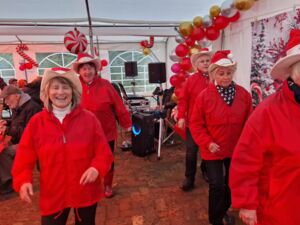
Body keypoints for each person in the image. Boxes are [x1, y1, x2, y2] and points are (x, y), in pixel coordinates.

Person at [12, 68, 114, 225]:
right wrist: (23, 180)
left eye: (65, 87)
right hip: (53, 194)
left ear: (73, 91)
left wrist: (96, 168)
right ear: (47, 91)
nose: (60, 92)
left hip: (85, 190)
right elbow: (24, 156)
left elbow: (104, 153)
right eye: (55, 87)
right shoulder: (36, 123)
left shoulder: (89, 120)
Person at [230, 29, 300, 225]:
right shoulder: (268, 111)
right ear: (295, 74)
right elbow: (246, 158)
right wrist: (247, 202)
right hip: (281, 206)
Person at [190, 50, 252, 225]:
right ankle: (215, 219)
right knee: (217, 185)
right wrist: (207, 142)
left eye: (228, 73)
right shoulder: (204, 97)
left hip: (235, 148)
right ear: (213, 74)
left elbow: (249, 122)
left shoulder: (244, 95)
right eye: (221, 73)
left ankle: (222, 211)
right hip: (213, 149)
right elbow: (196, 124)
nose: (225, 77)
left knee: (232, 184)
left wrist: (246, 144)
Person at [73, 53, 131, 198]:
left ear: (95, 69)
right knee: (86, 160)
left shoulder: (106, 85)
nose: (87, 72)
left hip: (106, 131)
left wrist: (126, 123)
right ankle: (90, 184)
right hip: (82, 134)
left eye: (90, 68)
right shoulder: (74, 87)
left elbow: (119, 105)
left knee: (107, 160)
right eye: (84, 69)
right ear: (79, 71)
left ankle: (107, 185)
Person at [177, 48, 212, 191]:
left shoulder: (216, 78)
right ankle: (189, 178)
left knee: (208, 149)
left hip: (211, 123)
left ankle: (205, 169)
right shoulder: (191, 80)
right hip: (193, 123)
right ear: (197, 64)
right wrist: (180, 116)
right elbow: (183, 100)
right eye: (202, 61)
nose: (205, 63)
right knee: (191, 151)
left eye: (207, 61)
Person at [0, 85, 41, 195]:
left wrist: (8, 129)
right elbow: (17, 123)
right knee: (4, 146)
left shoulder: (32, 108)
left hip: (32, 145)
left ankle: (9, 183)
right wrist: (6, 123)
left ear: (17, 95)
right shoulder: (19, 106)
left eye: (8, 99)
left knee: (4, 152)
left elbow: (29, 134)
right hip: (20, 141)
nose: (6, 102)